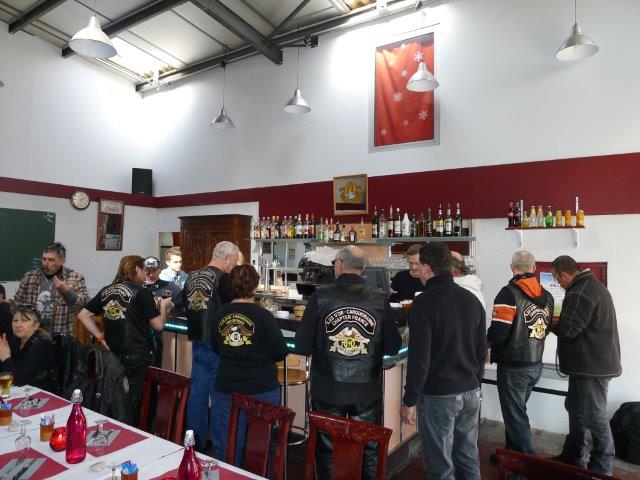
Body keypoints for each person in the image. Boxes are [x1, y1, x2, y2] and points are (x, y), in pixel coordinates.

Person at [295, 245, 402, 479]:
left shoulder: (320, 296)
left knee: (326, 447)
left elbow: (301, 345)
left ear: (341, 264)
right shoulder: (378, 298)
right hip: (366, 389)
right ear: (362, 268)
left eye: (334, 262)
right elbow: (393, 346)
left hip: (328, 387)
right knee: (369, 447)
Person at [400, 243, 486, 480]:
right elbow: (481, 350)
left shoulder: (424, 303)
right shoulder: (472, 300)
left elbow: (420, 359)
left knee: (440, 467)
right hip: (471, 391)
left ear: (428, 268)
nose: (417, 270)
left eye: (419, 265)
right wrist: (475, 383)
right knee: (468, 458)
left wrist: (409, 400)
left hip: (439, 395)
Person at [77, 255, 172, 426]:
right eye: (144, 270)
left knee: (114, 394)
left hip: (112, 354)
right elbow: (158, 325)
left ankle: (113, 428)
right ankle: (131, 431)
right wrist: (164, 307)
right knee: (132, 399)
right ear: (136, 269)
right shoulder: (142, 292)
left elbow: (83, 315)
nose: (145, 274)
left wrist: (100, 337)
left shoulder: (107, 290)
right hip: (137, 353)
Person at [550, 255, 621, 475]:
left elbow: (569, 329)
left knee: (594, 416)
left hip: (592, 367)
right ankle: (573, 455)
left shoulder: (580, 291)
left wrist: (547, 322)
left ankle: (602, 466)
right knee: (575, 409)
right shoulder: (592, 286)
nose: (558, 284)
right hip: (588, 365)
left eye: (557, 279)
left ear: (564, 274)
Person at [210, 264, 288, 463]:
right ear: (254, 287)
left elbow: (216, 347)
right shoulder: (265, 316)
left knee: (228, 445)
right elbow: (279, 352)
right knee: (260, 448)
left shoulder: (219, 314)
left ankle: (228, 475)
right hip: (262, 388)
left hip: (227, 387)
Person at [487, 250, 553, 461]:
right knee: (515, 413)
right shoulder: (547, 296)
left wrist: (483, 342)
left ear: (511, 268)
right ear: (534, 268)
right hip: (535, 364)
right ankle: (511, 458)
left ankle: (527, 465)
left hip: (513, 366)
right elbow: (545, 329)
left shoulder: (508, 294)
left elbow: (499, 333)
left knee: (516, 418)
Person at [184, 241, 239, 451]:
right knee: (220, 399)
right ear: (226, 257)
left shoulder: (192, 276)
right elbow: (234, 310)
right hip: (218, 345)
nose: (234, 266)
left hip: (198, 342)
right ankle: (220, 450)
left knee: (197, 396)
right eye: (234, 261)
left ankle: (194, 444)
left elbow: (181, 303)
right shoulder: (223, 279)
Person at [12, 242, 89, 335]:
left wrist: (67, 292)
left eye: (51, 260)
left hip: (61, 334)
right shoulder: (29, 276)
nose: (46, 263)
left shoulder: (74, 277)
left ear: (62, 261)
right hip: (32, 334)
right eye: (44, 259)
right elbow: (16, 304)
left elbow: (85, 303)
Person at [0, 306, 57, 392]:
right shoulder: (16, 339)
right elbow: (6, 370)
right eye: (15, 320)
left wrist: (5, 358)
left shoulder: (42, 344)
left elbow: (20, 380)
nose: (18, 325)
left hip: (38, 393)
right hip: (18, 389)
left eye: (24, 321)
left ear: (36, 325)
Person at [143, 256, 184, 368]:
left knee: (156, 366)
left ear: (160, 270)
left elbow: (182, 301)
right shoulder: (137, 286)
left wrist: (171, 306)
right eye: (147, 270)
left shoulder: (168, 285)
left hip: (159, 333)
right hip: (139, 333)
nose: (150, 274)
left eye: (154, 270)